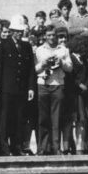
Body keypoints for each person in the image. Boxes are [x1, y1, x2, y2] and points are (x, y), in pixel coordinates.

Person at [0, 15, 36, 156]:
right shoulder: (2, 46)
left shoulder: (26, 46)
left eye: (21, 31)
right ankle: (3, 148)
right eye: (16, 31)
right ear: (11, 31)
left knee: (19, 118)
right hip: (6, 89)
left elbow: (30, 69)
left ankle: (16, 146)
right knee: (4, 119)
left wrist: (30, 87)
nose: (19, 33)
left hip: (21, 89)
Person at [34, 25, 73, 156]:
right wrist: (44, 64)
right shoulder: (39, 50)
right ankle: (43, 147)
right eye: (49, 35)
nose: (51, 37)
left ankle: (56, 147)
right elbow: (35, 70)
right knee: (43, 118)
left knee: (56, 118)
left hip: (58, 84)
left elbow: (70, 68)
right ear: (45, 35)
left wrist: (61, 62)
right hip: (43, 84)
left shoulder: (63, 50)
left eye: (53, 35)